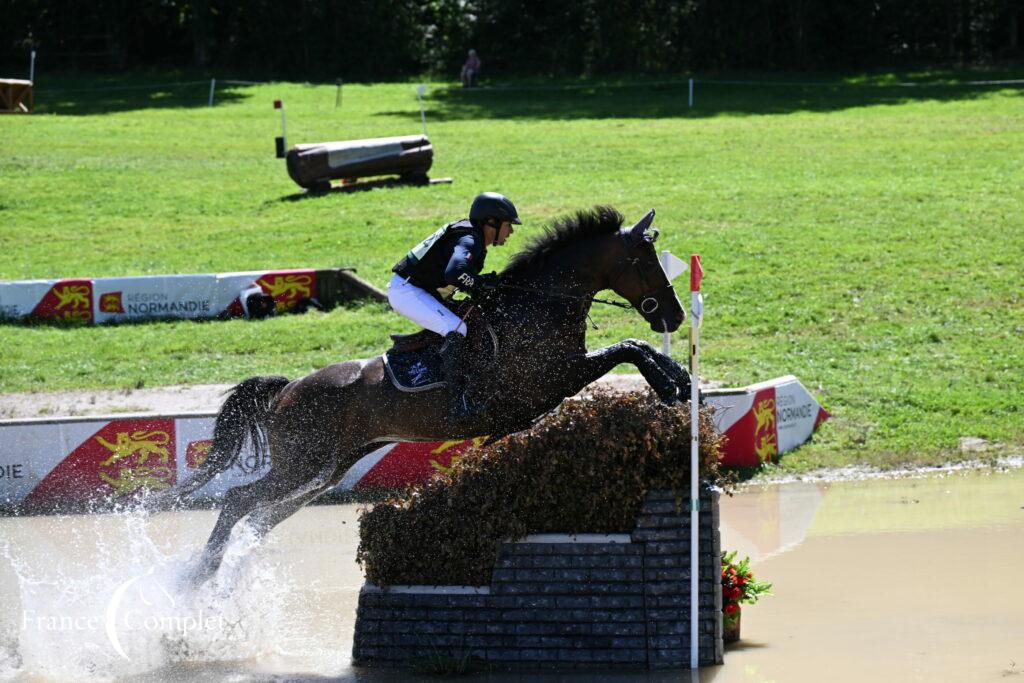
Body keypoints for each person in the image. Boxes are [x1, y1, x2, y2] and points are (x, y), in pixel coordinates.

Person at [389, 192, 521, 421]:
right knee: (456, 328)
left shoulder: (472, 237)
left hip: (420, 290)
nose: (511, 232)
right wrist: (479, 284)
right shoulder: (470, 239)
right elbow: (454, 273)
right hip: (408, 292)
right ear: (492, 222)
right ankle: (457, 402)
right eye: (508, 225)